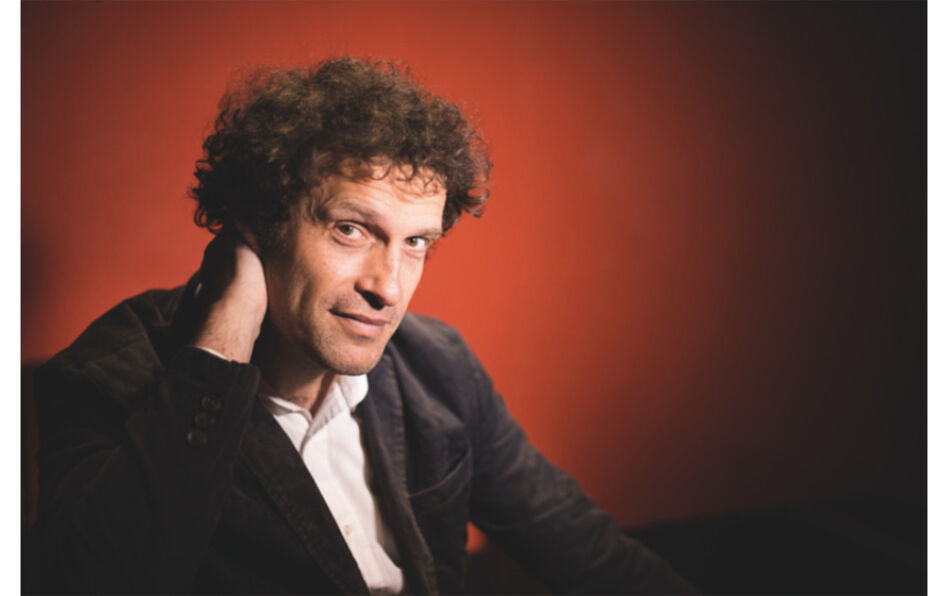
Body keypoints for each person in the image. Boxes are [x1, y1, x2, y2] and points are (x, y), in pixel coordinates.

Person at [31, 57, 696, 595]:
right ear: (257, 222)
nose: (388, 287)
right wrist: (222, 348)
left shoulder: (437, 365)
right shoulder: (108, 378)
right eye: (351, 229)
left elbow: (581, 548)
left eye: (416, 244)